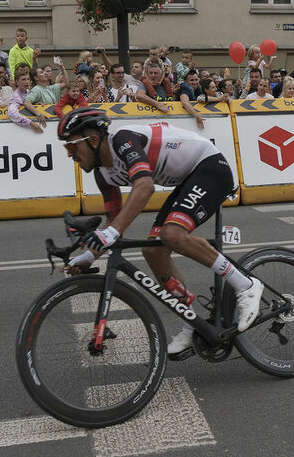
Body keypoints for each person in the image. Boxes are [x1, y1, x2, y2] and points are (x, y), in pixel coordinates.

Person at [56, 108, 263, 357]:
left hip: (209, 167)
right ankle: (192, 323)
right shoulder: (103, 174)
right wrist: (88, 256)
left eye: (71, 147)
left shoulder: (122, 140)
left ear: (91, 140)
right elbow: (114, 221)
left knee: (172, 235)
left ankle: (246, 284)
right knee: (153, 251)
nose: (70, 155)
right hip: (187, 179)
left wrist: (109, 233)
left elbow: (144, 185)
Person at [7, 66, 48, 133]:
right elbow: (12, 113)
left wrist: (36, 104)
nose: (27, 82)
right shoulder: (15, 96)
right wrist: (31, 123)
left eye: (28, 79)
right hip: (21, 131)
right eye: (23, 79)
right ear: (17, 82)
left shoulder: (29, 92)